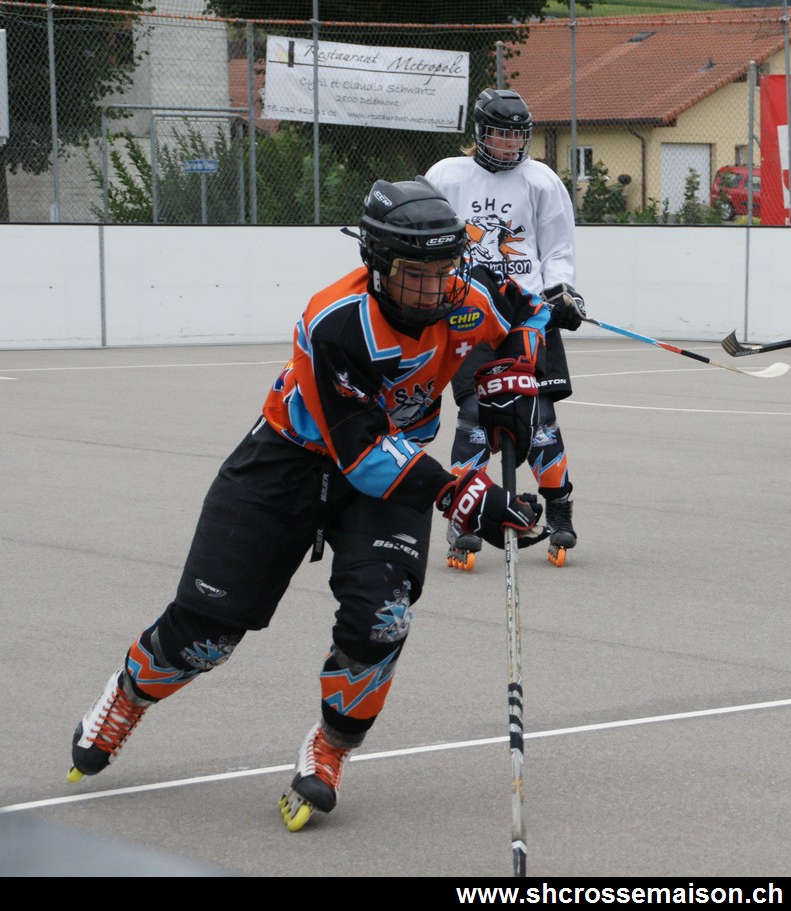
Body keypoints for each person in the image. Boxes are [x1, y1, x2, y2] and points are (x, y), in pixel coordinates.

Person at [65, 176, 571, 833]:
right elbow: (361, 453)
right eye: (415, 275)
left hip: (397, 469)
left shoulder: (465, 293)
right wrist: (461, 494)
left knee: (381, 620)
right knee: (209, 630)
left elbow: (527, 315)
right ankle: (129, 695)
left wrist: (509, 378)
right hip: (292, 461)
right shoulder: (335, 322)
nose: (433, 290)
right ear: (377, 265)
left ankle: (330, 748)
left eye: (444, 271)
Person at [425, 88, 585, 571]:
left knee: (537, 417)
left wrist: (563, 293)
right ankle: (465, 516)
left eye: (517, 135)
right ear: (479, 133)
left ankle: (559, 510)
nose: (510, 144)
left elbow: (557, 248)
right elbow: (425, 232)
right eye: (500, 134)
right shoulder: (446, 175)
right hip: (469, 315)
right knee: (475, 415)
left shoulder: (541, 180)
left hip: (527, 314)